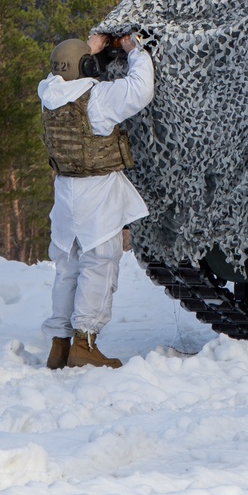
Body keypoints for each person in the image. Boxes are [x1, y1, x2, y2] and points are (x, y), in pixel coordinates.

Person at [38, 30, 153, 369]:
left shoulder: (48, 94)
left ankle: (60, 344)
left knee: (67, 269)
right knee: (99, 265)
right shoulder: (98, 100)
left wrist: (86, 51)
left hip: (65, 195)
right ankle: (85, 344)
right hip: (97, 193)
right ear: (85, 66)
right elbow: (139, 90)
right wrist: (136, 53)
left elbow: (59, 75)